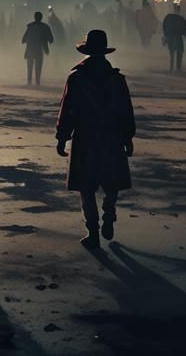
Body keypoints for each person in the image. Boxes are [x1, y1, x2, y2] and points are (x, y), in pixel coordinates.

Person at [56, 29, 135, 249]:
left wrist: (62, 136)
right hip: (112, 136)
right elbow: (125, 111)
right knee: (111, 182)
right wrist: (128, 136)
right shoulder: (117, 79)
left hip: (86, 136)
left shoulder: (77, 78)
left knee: (86, 186)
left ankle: (92, 230)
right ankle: (109, 213)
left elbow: (67, 109)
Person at [22, 10, 55, 86]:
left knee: (29, 66)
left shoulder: (30, 26)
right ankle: (37, 82)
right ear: (41, 18)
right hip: (39, 49)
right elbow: (51, 40)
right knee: (38, 67)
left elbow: (23, 40)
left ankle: (29, 82)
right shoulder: (45, 27)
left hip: (30, 49)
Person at [161, 4, 186, 73]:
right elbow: (185, 28)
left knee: (172, 52)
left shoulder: (168, 17)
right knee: (179, 52)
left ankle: (171, 67)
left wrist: (166, 35)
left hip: (170, 37)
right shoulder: (181, 18)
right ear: (179, 10)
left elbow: (164, 26)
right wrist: (185, 34)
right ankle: (178, 68)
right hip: (178, 37)